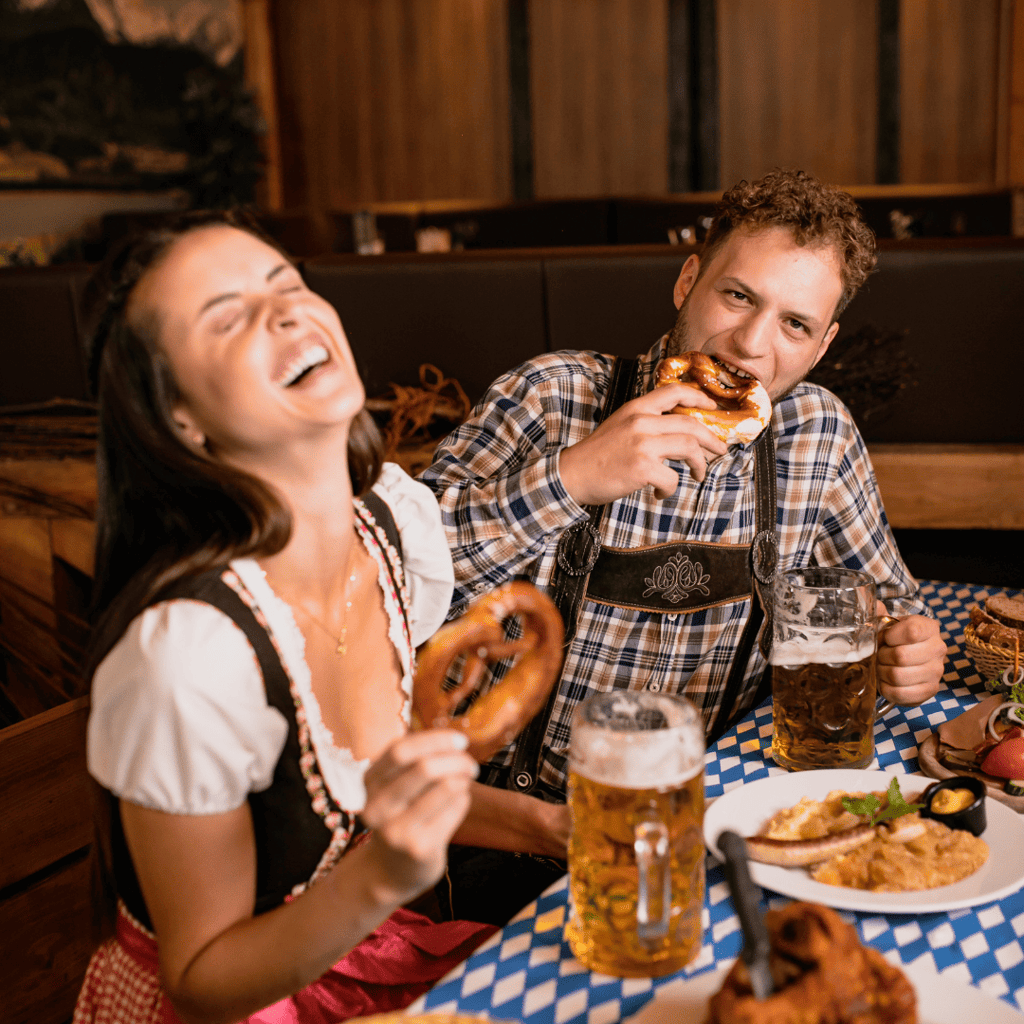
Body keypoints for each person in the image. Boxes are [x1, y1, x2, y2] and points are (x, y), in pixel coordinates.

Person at [74, 211, 565, 1024]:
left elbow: (386, 797)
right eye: (227, 317)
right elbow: (200, 977)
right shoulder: (188, 658)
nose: (286, 313)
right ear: (179, 418)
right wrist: (381, 882)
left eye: (288, 283)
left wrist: (556, 827)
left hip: (360, 950)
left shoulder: (391, 530)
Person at [420, 169, 947, 803]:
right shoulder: (549, 396)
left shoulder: (818, 434)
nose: (751, 345)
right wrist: (573, 477)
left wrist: (908, 654)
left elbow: (891, 607)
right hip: (508, 815)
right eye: (738, 296)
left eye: (795, 326)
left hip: (715, 805)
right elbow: (385, 580)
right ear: (687, 280)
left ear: (821, 347)